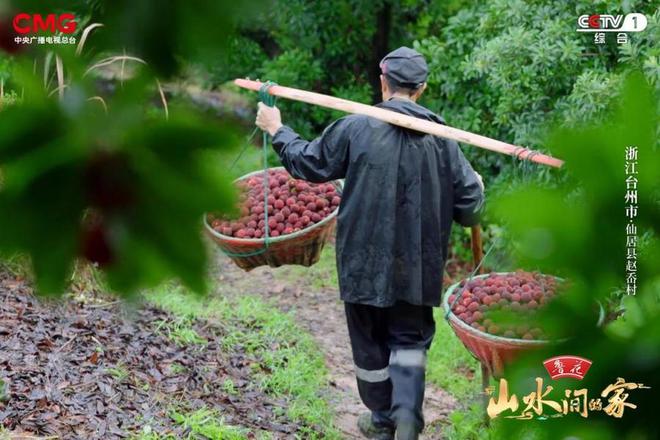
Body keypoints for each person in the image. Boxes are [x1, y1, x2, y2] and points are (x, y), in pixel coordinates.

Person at [255, 46, 484, 440]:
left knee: (369, 342)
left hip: (363, 262)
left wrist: (277, 129)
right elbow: (470, 211)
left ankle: (381, 420)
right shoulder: (445, 141)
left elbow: (309, 163)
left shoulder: (356, 128)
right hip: (418, 267)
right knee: (409, 340)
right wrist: (476, 185)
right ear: (422, 89)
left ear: (383, 82)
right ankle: (408, 417)